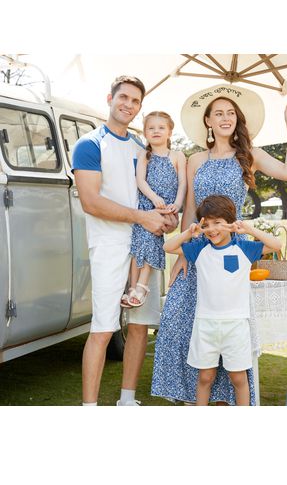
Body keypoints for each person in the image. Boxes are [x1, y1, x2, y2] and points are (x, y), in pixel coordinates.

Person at [151, 83, 287, 405]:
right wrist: (181, 255)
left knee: (229, 321)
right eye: (218, 113)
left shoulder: (250, 155)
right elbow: (191, 209)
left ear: (237, 119)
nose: (225, 117)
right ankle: (193, 395)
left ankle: (229, 397)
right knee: (181, 317)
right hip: (200, 246)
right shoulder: (195, 160)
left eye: (230, 112)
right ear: (207, 121)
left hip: (232, 246)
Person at [72, 75, 177, 406]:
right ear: (110, 98)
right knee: (103, 329)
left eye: (135, 101)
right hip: (108, 247)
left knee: (139, 327)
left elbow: (154, 197)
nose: (128, 104)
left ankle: (126, 401)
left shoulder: (141, 149)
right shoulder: (89, 144)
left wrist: (165, 217)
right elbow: (91, 202)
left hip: (144, 248)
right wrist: (142, 217)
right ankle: (90, 407)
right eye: (124, 97)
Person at [163, 194, 282, 405]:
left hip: (236, 326)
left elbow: (276, 244)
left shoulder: (244, 249)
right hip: (205, 324)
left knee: (238, 377)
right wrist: (189, 233)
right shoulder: (199, 249)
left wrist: (249, 230)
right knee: (205, 377)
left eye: (218, 222)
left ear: (230, 222)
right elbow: (168, 247)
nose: (212, 229)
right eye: (207, 224)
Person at [122, 111, 187, 308]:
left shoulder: (177, 155)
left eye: (161, 127)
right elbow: (140, 180)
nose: (156, 131)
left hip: (166, 209)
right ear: (145, 132)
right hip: (146, 205)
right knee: (138, 245)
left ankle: (141, 286)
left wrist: (176, 203)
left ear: (169, 132)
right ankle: (134, 288)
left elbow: (183, 183)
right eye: (151, 128)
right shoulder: (144, 154)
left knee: (150, 239)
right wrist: (154, 198)